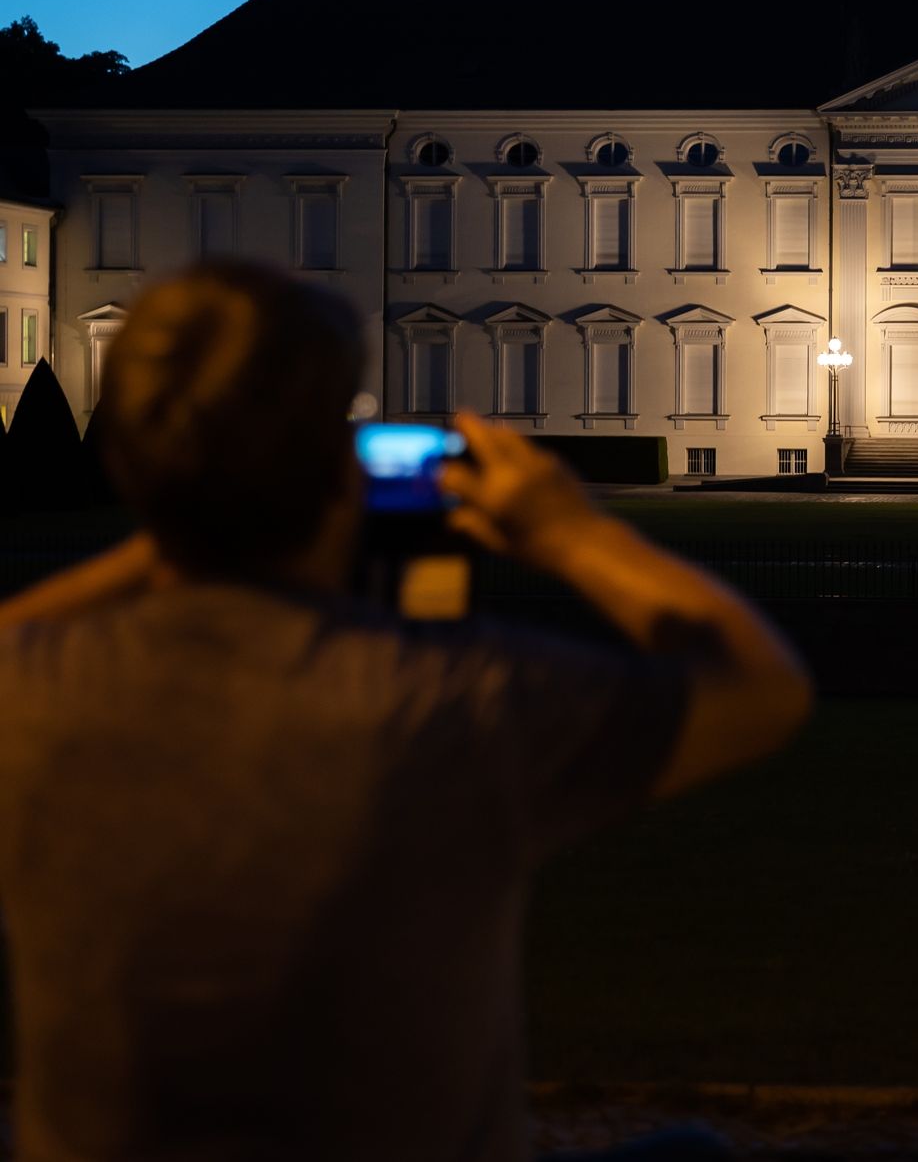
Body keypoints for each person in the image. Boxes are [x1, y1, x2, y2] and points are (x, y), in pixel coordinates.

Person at [0, 263, 811, 1161]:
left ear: (125, 460)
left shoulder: (30, 690)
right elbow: (761, 686)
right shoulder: (452, 702)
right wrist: (570, 530)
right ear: (337, 474)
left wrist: (183, 515)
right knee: (690, 1153)